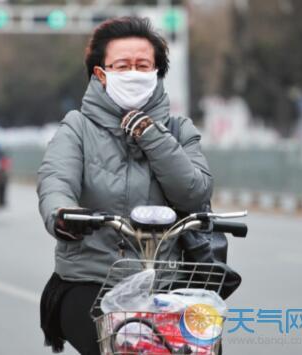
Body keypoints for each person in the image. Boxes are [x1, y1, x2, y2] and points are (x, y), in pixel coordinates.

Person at [37, 17, 213, 354]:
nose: (133, 73)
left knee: (202, 345)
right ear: (100, 74)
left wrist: (151, 135)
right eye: (122, 65)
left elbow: (194, 194)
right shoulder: (77, 127)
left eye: (142, 65)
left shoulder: (179, 130)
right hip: (91, 280)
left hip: (167, 282)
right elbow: (55, 179)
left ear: (157, 72)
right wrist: (62, 214)